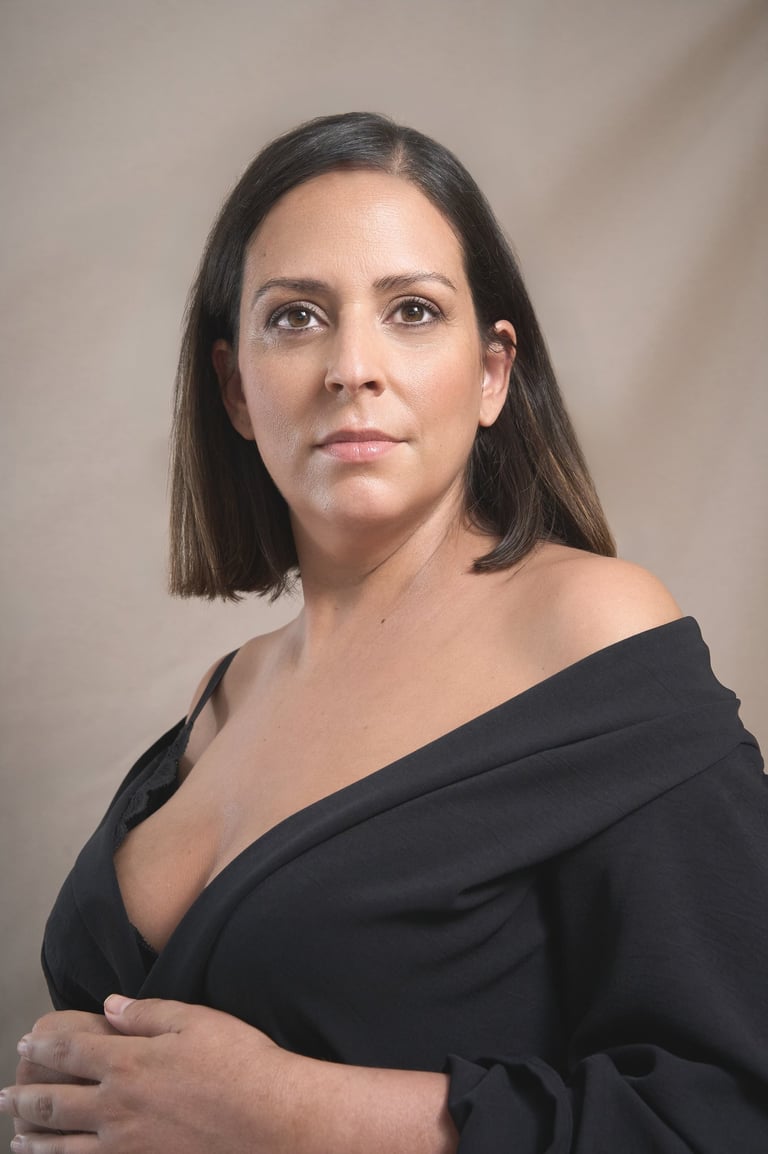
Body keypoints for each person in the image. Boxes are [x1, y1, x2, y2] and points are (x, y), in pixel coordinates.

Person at [2, 112, 766, 1153]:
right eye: (295, 317)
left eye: (411, 309)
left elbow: (731, 1108)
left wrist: (287, 1114)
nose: (351, 365)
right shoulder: (227, 691)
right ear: (234, 387)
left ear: (493, 371)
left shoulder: (590, 628)